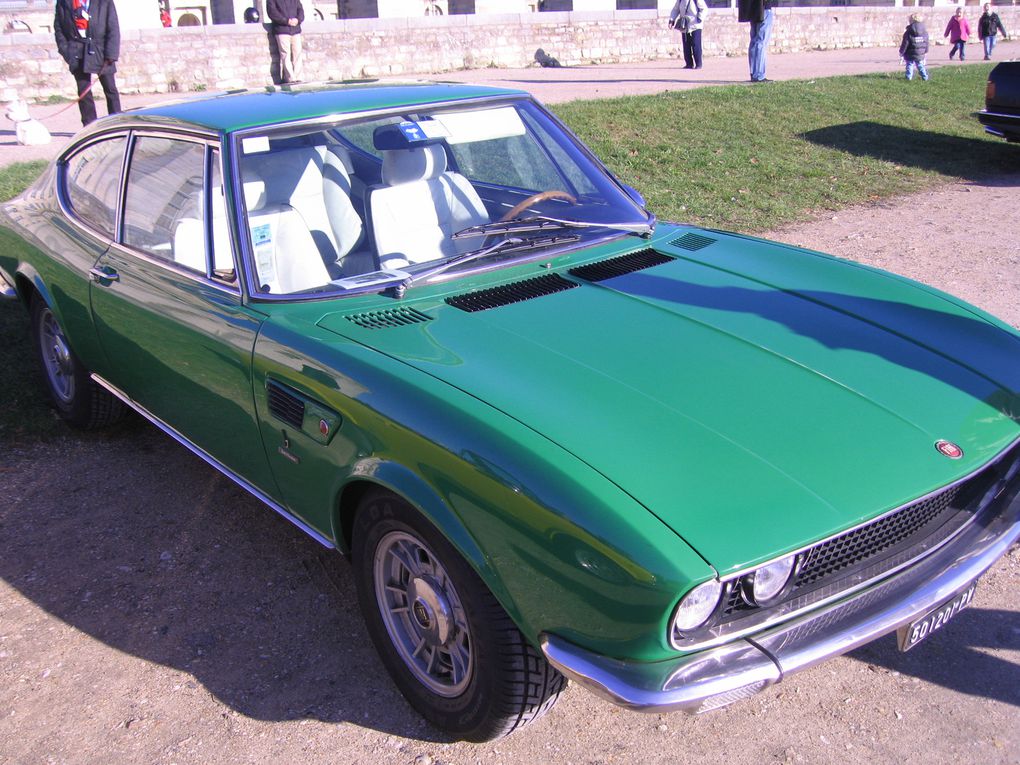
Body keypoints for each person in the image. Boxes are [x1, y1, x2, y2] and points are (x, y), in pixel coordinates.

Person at [54, 0, 121, 127]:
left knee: (110, 89)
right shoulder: (63, 2)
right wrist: (66, 50)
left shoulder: (104, 2)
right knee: (84, 92)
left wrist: (111, 54)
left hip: (101, 50)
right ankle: (90, 127)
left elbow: (113, 28)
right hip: (77, 51)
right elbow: (59, 29)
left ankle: (116, 123)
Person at [267, 0, 304, 84]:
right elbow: (272, 13)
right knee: (285, 54)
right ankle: (290, 78)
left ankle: (298, 77)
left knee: (297, 53)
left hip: (295, 30)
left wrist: (298, 20)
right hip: (282, 30)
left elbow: (300, 9)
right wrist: (286, 21)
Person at [738, 0, 775, 83]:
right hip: (764, 8)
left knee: (754, 41)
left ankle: (754, 73)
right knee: (761, 41)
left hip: (754, 9)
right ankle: (758, 74)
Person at [669, 0, 709, 71]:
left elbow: (704, 9)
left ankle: (698, 64)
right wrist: (671, 20)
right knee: (686, 45)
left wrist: (699, 18)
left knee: (695, 44)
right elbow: (675, 10)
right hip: (685, 25)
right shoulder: (680, 0)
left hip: (695, 25)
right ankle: (689, 63)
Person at [899, 13, 930, 82]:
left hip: (910, 52)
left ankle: (908, 77)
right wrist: (926, 50)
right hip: (920, 52)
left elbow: (905, 43)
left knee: (909, 65)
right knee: (920, 65)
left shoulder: (908, 32)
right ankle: (925, 77)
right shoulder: (925, 31)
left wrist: (901, 51)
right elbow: (926, 42)